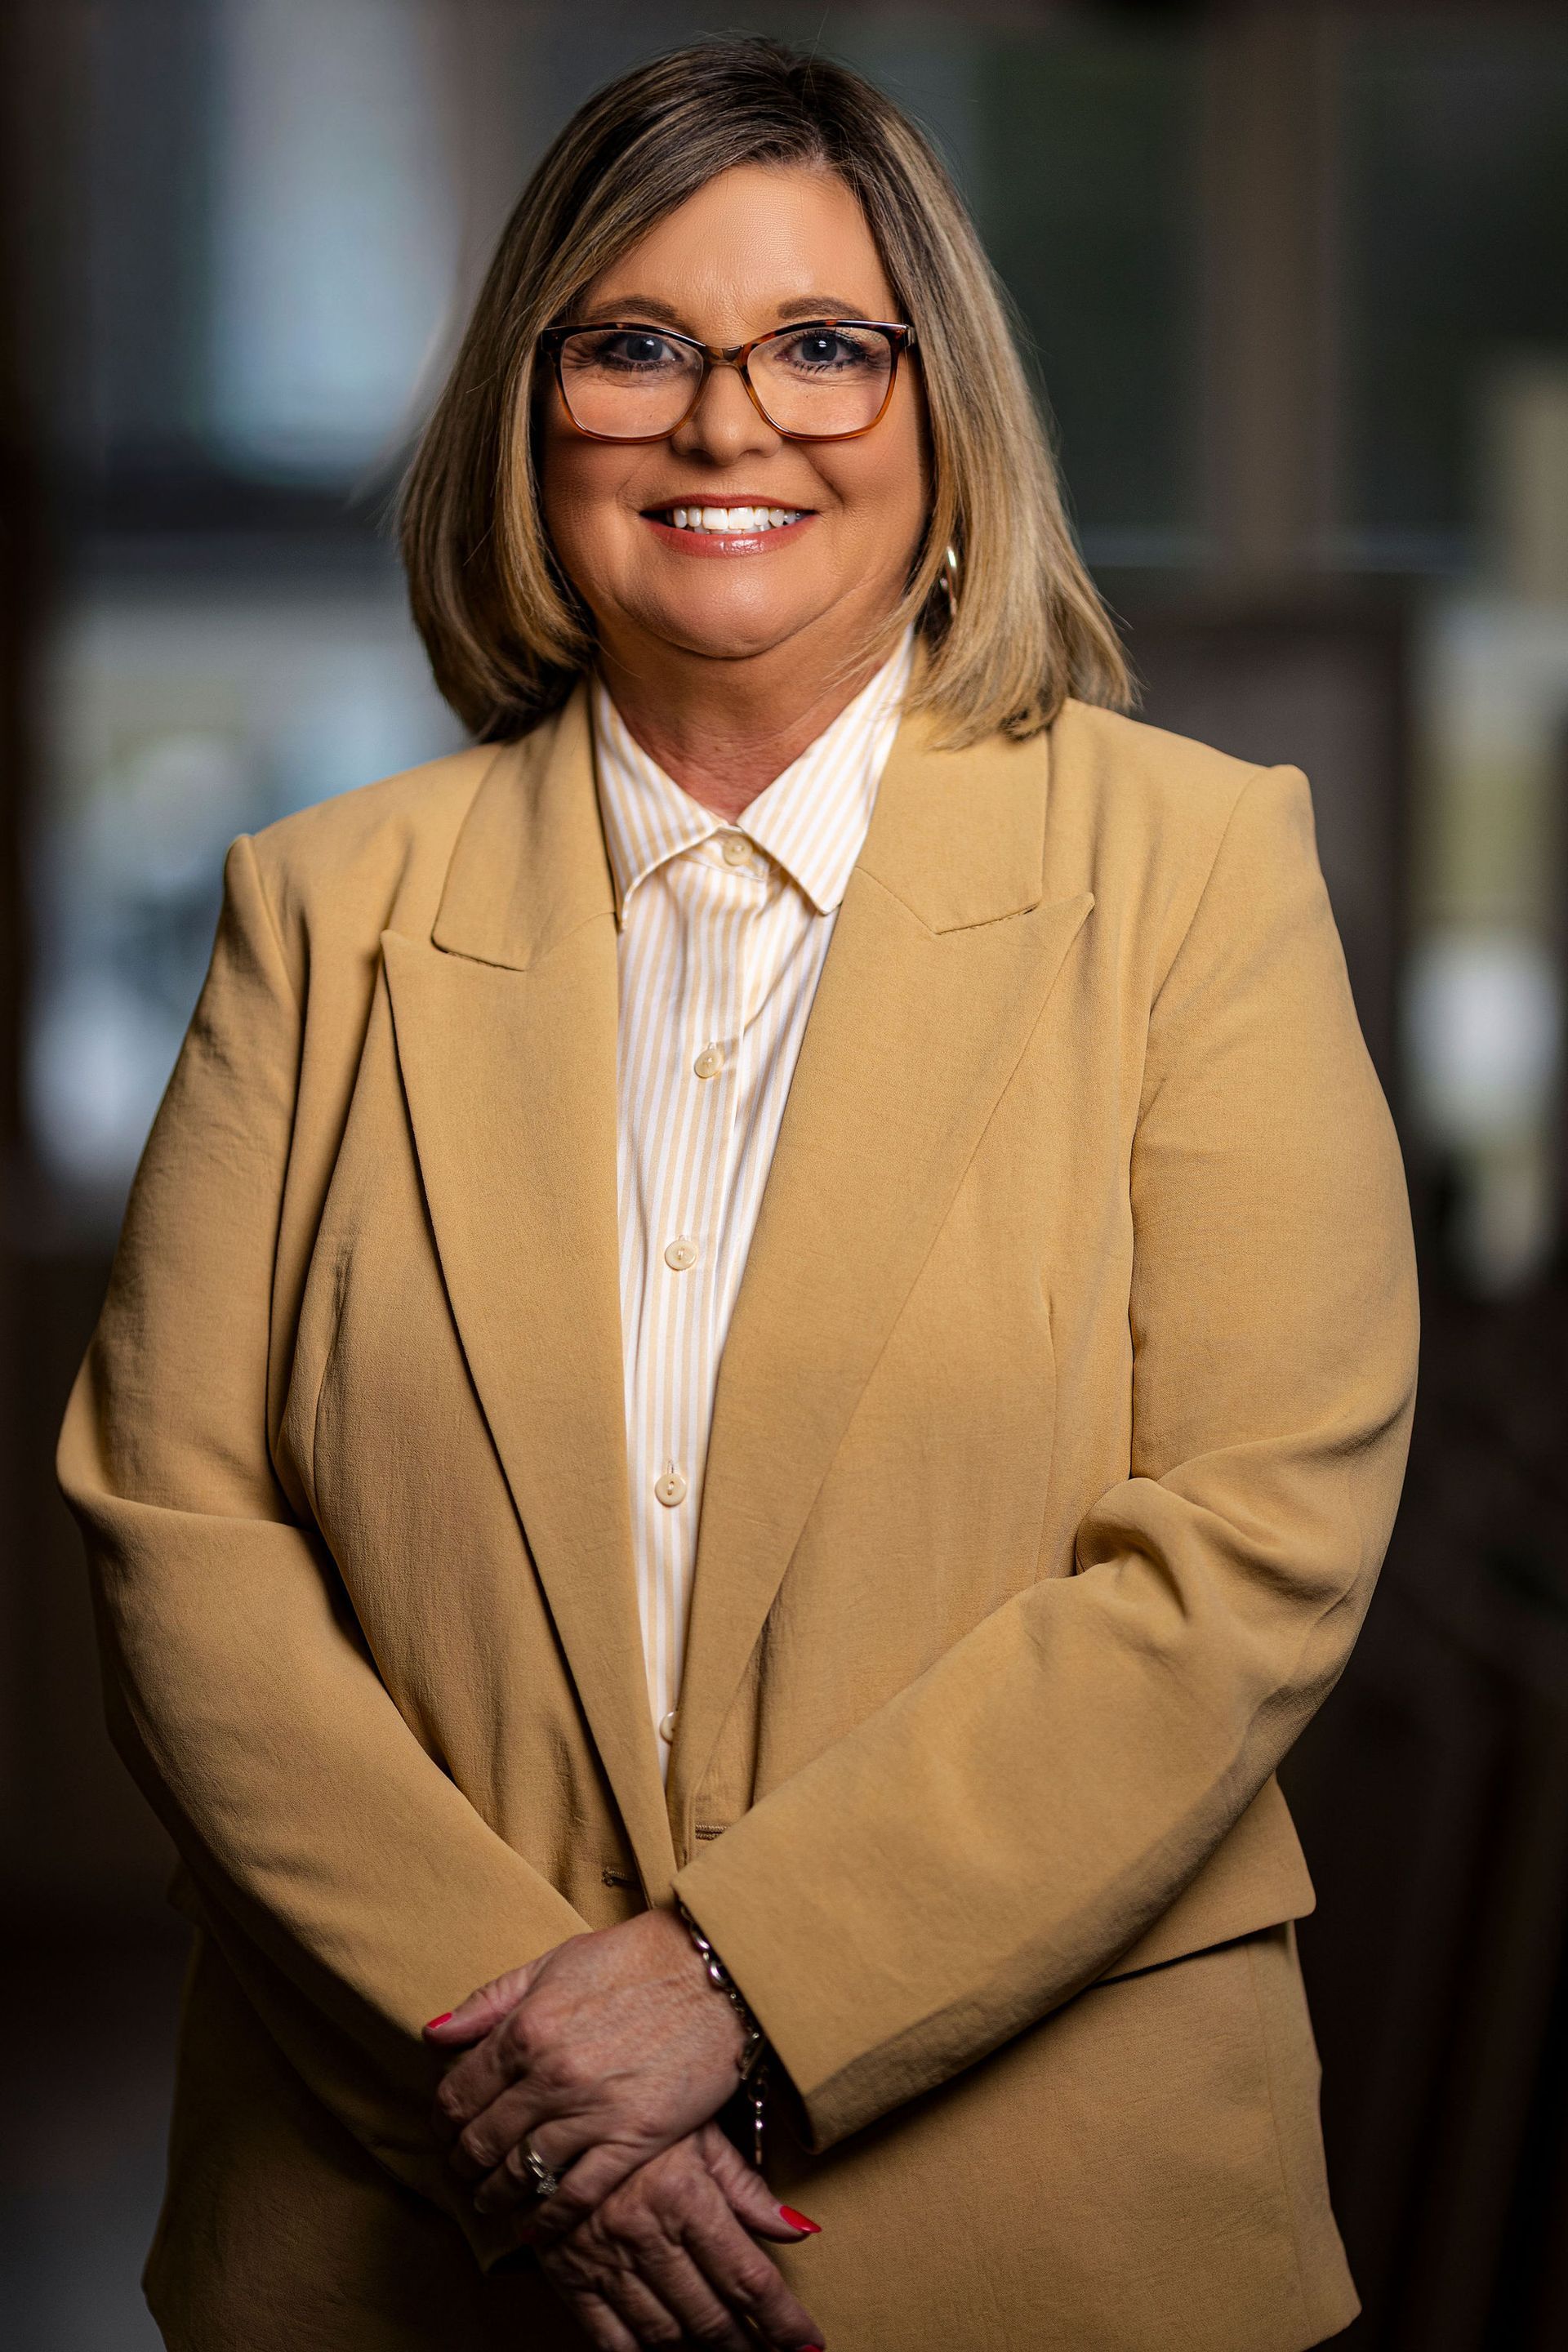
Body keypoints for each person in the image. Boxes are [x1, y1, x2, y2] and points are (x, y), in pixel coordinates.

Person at [58, 34, 1419, 2352]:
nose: (727, 423)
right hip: (403, 2234)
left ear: (941, 418)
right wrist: (543, 2090)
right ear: (532, 414)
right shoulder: (321, 909)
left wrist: (737, 1988)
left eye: (820, 347)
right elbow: (174, 1536)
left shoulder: (1194, 871)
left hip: (1057, 2238)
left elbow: (1252, 1539)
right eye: (636, 348)